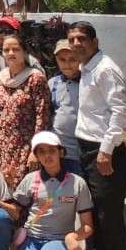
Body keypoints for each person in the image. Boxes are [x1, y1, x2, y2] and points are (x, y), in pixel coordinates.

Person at [68, 20, 126, 250]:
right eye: (72, 39)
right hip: (86, 148)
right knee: (92, 213)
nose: (76, 43)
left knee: (108, 218)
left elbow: (121, 112)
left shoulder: (105, 69)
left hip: (103, 151)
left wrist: (106, 151)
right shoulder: (86, 68)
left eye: (82, 39)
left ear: (95, 42)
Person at [12, 131, 94, 250]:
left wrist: (72, 237)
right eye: (42, 152)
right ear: (36, 156)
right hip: (31, 239)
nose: (47, 156)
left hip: (58, 240)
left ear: (61, 152)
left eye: (52, 150)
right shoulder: (29, 179)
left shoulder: (78, 183)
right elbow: (14, 210)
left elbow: (88, 226)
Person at [0, 32, 51, 188]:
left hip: (25, 146)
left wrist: (36, 150)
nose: (11, 53)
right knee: (0, 188)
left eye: (15, 49)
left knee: (23, 189)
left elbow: (43, 116)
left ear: (24, 52)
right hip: (0, 145)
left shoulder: (35, 78)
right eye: (6, 50)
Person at [48, 39, 84, 174]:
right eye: (62, 60)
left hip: (79, 152)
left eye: (72, 60)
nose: (67, 64)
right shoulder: (53, 83)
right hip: (56, 150)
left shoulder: (86, 83)